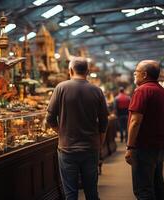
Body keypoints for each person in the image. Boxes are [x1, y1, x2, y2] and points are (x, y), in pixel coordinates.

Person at [46, 57, 108, 200]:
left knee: (70, 194)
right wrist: (100, 143)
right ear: (87, 71)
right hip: (90, 148)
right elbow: (104, 122)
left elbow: (49, 118)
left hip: (67, 149)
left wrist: (61, 133)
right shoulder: (97, 91)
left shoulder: (60, 88)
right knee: (92, 192)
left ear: (70, 70)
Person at [125, 60, 164, 200]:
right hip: (159, 146)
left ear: (144, 75)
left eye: (136, 71)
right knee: (157, 185)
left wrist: (130, 147)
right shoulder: (163, 93)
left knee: (143, 189)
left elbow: (135, 121)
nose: (134, 74)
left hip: (143, 147)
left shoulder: (142, 91)